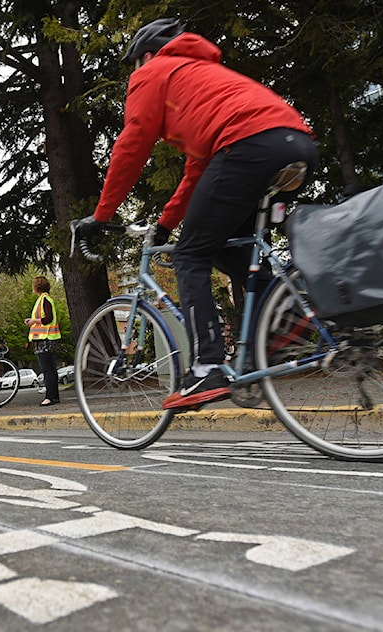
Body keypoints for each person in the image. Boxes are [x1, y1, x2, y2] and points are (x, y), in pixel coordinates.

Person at [74, 18, 318, 411]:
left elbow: (132, 145)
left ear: (147, 54)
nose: (134, 72)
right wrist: (165, 225)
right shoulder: (205, 78)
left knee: (189, 257)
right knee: (221, 247)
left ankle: (206, 367)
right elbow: (197, 173)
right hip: (294, 144)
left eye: (135, 63)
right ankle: (288, 311)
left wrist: (102, 215)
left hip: (247, 146)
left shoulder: (152, 73)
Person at [25, 275, 62, 406]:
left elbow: (48, 319)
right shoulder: (46, 299)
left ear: (36, 287)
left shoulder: (44, 299)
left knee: (47, 369)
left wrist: (33, 321)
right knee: (51, 369)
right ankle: (54, 396)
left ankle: (50, 397)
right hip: (48, 338)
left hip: (44, 339)